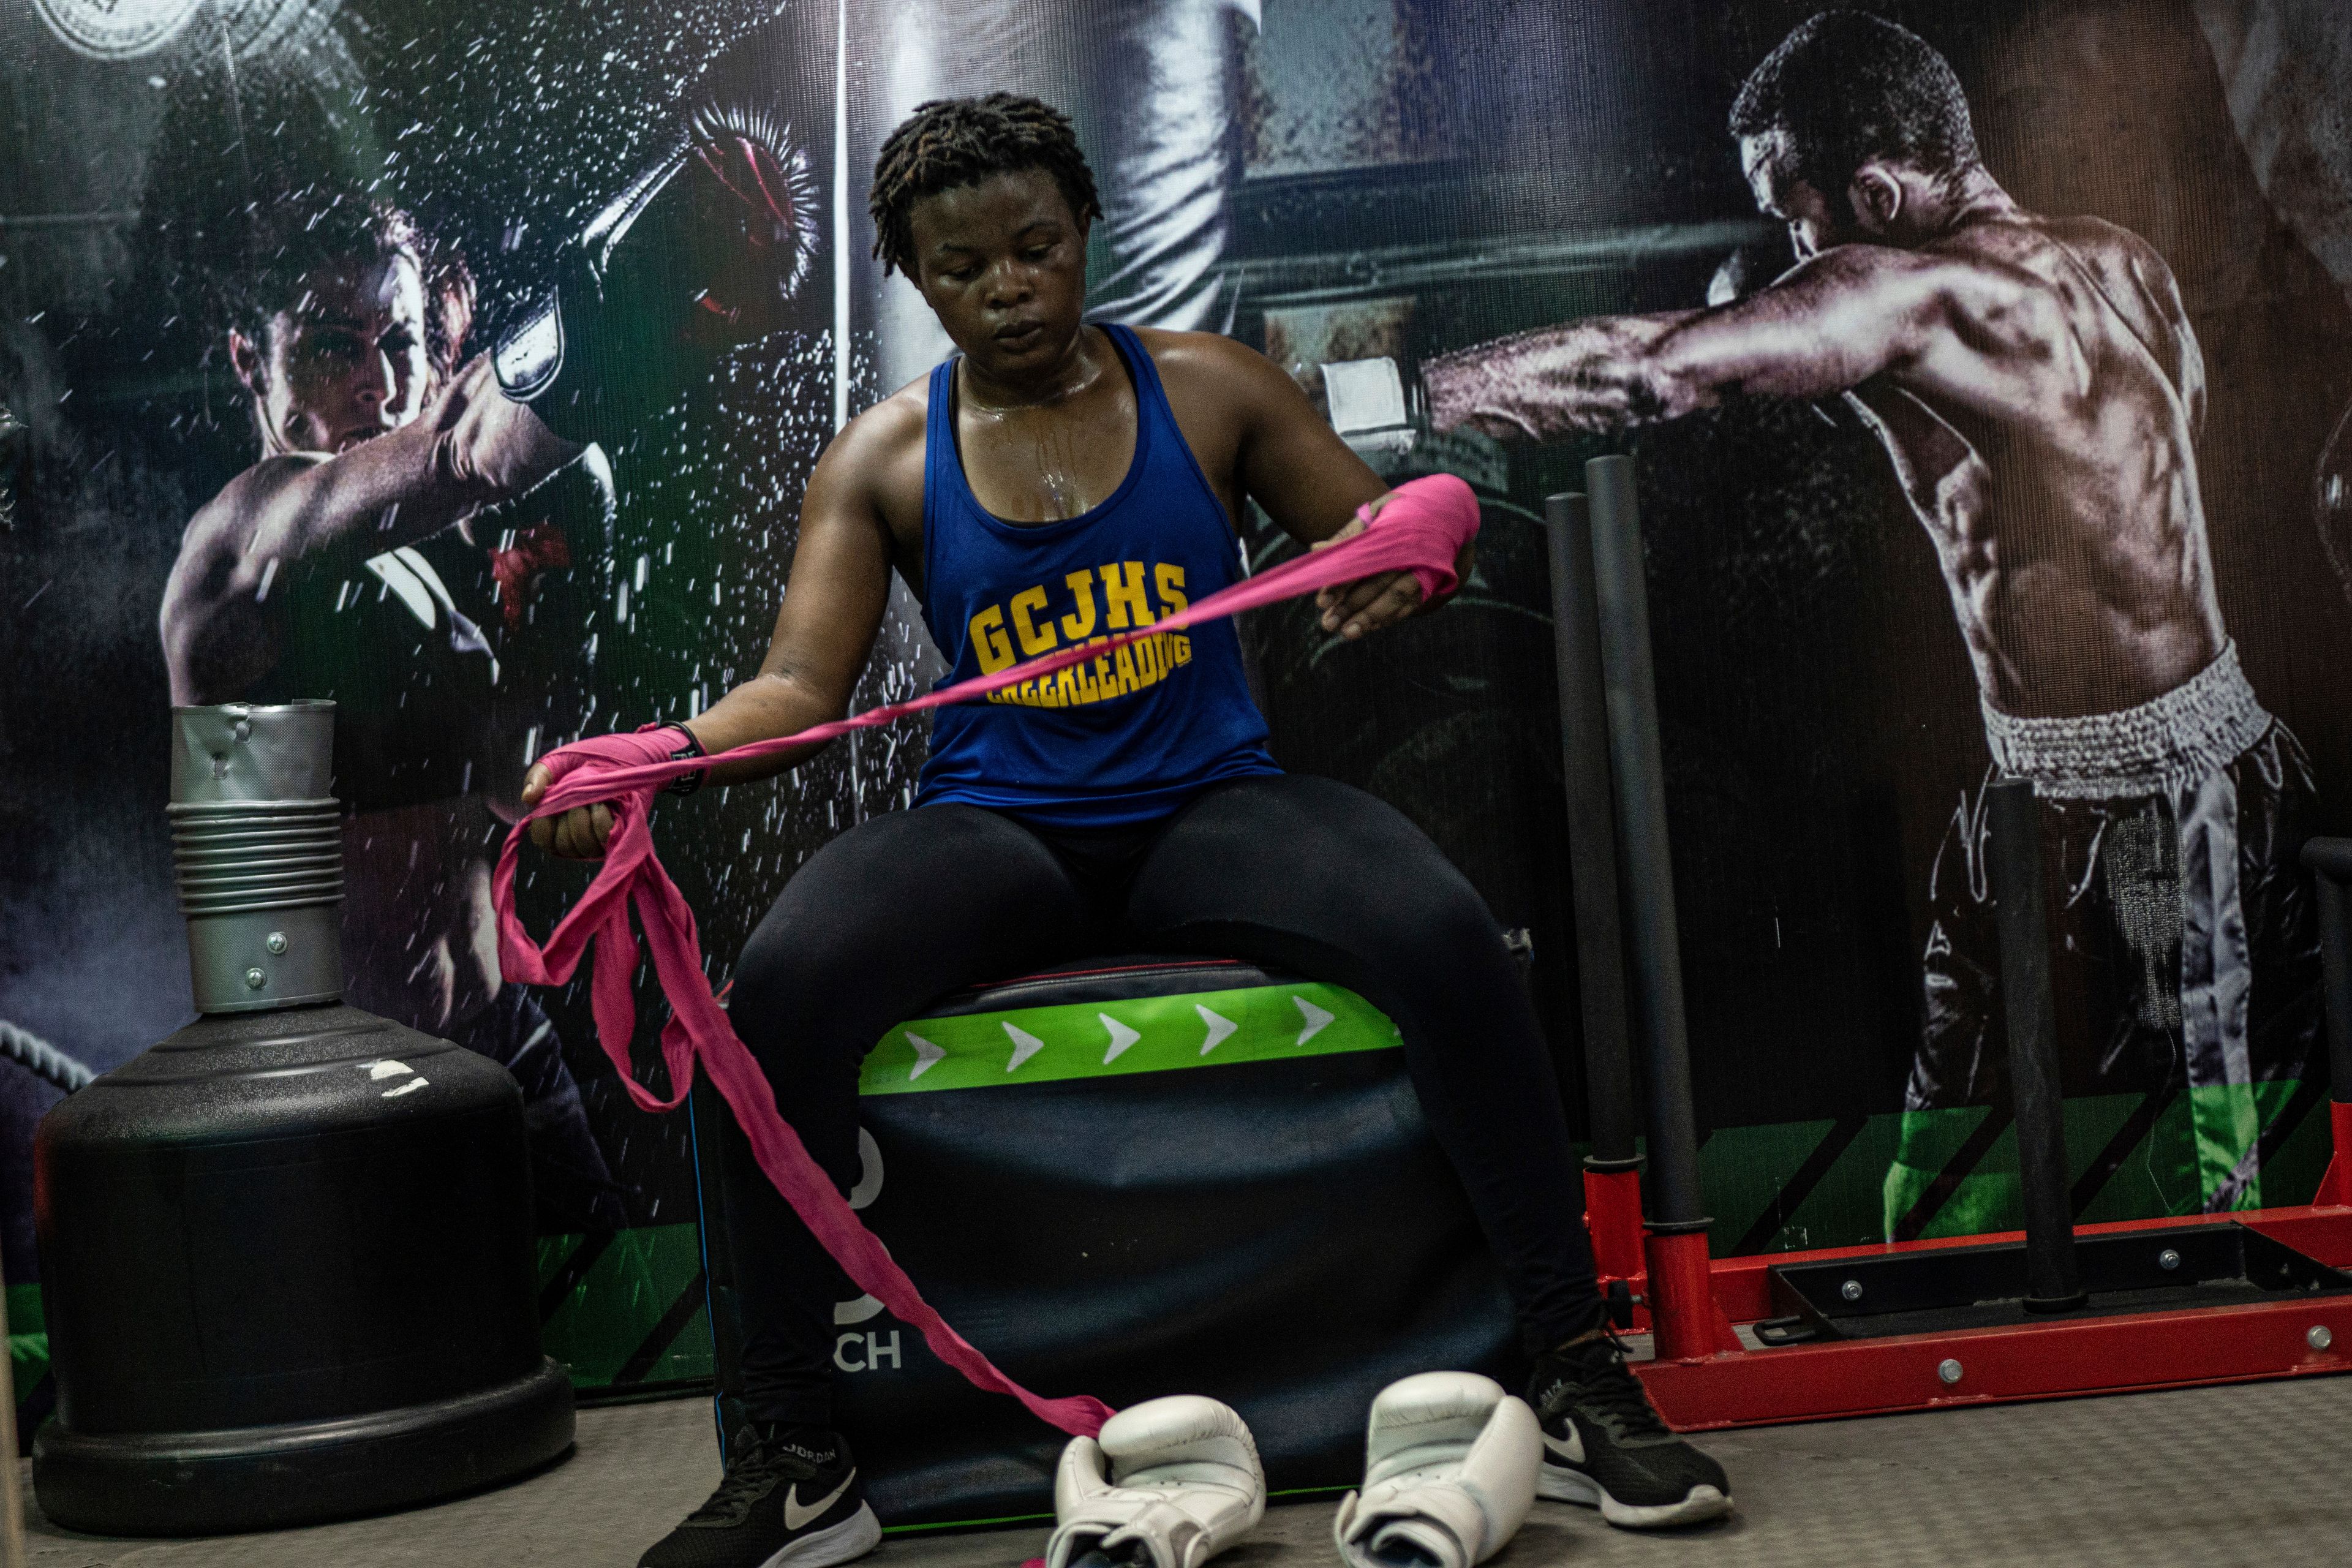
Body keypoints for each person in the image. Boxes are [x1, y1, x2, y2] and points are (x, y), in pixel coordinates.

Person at [524, 92, 1732, 1568]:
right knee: (775, 996)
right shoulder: (885, 458)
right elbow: (796, 686)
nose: (1008, 286)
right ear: (916, 278)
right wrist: (653, 762)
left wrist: (1417, 545)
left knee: (1442, 934)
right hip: (1000, 825)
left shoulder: (1212, 389)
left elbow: (1380, 524)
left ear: (1084, 228)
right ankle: (797, 1451)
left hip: (1209, 805)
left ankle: (1567, 1371)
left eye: (1035, 247)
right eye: (964, 268)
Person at [1419, 10, 2321, 1226]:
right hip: (2037, 787)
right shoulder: (2123, 260)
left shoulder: (1921, 289)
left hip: (2174, 814)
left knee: (2219, 1178)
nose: (1790, 250)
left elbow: (1661, 369)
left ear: (1880, 194)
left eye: (1794, 214)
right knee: (1949, 1156)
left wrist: (1412, 404)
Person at [157, 190, 630, 1231]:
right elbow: (461, 450)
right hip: (330, 1087)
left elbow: (513, 798)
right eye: (333, 347)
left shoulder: (444, 556)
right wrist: (590, 345)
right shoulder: (241, 539)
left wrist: (549, 617)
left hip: (502, 1038)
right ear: (253, 361)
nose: (379, 381)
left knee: (619, 1353)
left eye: (402, 340)